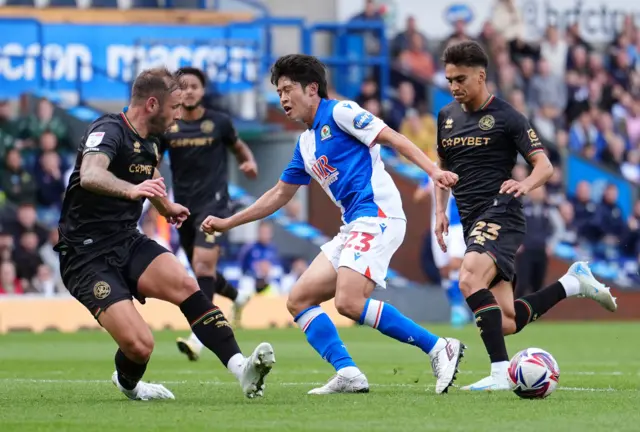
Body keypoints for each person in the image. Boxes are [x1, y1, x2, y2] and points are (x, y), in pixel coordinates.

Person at [201, 54, 465, 395]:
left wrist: (433, 172)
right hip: (354, 225)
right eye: (278, 92)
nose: (282, 98)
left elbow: (391, 137)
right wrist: (229, 222)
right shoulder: (306, 143)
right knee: (299, 299)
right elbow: (280, 194)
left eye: (287, 89)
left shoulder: (340, 112)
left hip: (378, 216)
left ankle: (438, 347)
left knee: (348, 302)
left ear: (312, 89)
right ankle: (348, 372)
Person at [54, 67, 275, 401]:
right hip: (85, 256)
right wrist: (132, 191)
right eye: (174, 107)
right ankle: (128, 384)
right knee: (140, 345)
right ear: (153, 104)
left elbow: (149, 170)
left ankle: (241, 367)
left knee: (188, 285)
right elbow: (90, 174)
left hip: (127, 241)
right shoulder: (108, 129)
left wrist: (164, 206)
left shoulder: (153, 140)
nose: (177, 116)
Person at [435, 41, 617, 391]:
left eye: (460, 79)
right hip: (472, 218)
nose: (454, 87)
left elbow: (544, 165)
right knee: (504, 321)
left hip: (502, 211)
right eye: (449, 80)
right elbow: (441, 170)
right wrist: (440, 212)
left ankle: (500, 372)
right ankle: (573, 283)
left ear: (481, 75)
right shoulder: (446, 117)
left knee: (468, 278)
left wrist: (525, 184)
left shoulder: (507, 116)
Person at [157, 67, 258, 362]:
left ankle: (199, 336)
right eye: (183, 87)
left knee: (202, 265)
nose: (189, 91)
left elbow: (239, 148)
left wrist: (248, 162)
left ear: (203, 91)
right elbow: (153, 160)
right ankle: (238, 296)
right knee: (204, 273)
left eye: (194, 86)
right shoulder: (168, 126)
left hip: (214, 204)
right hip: (182, 208)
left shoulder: (219, 122)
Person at [414, 175, 470, 327]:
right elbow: (417, 197)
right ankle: (456, 306)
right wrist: (428, 189)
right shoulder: (431, 171)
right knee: (444, 270)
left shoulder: (458, 166)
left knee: (455, 264)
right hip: (438, 226)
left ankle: (460, 308)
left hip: (458, 224)